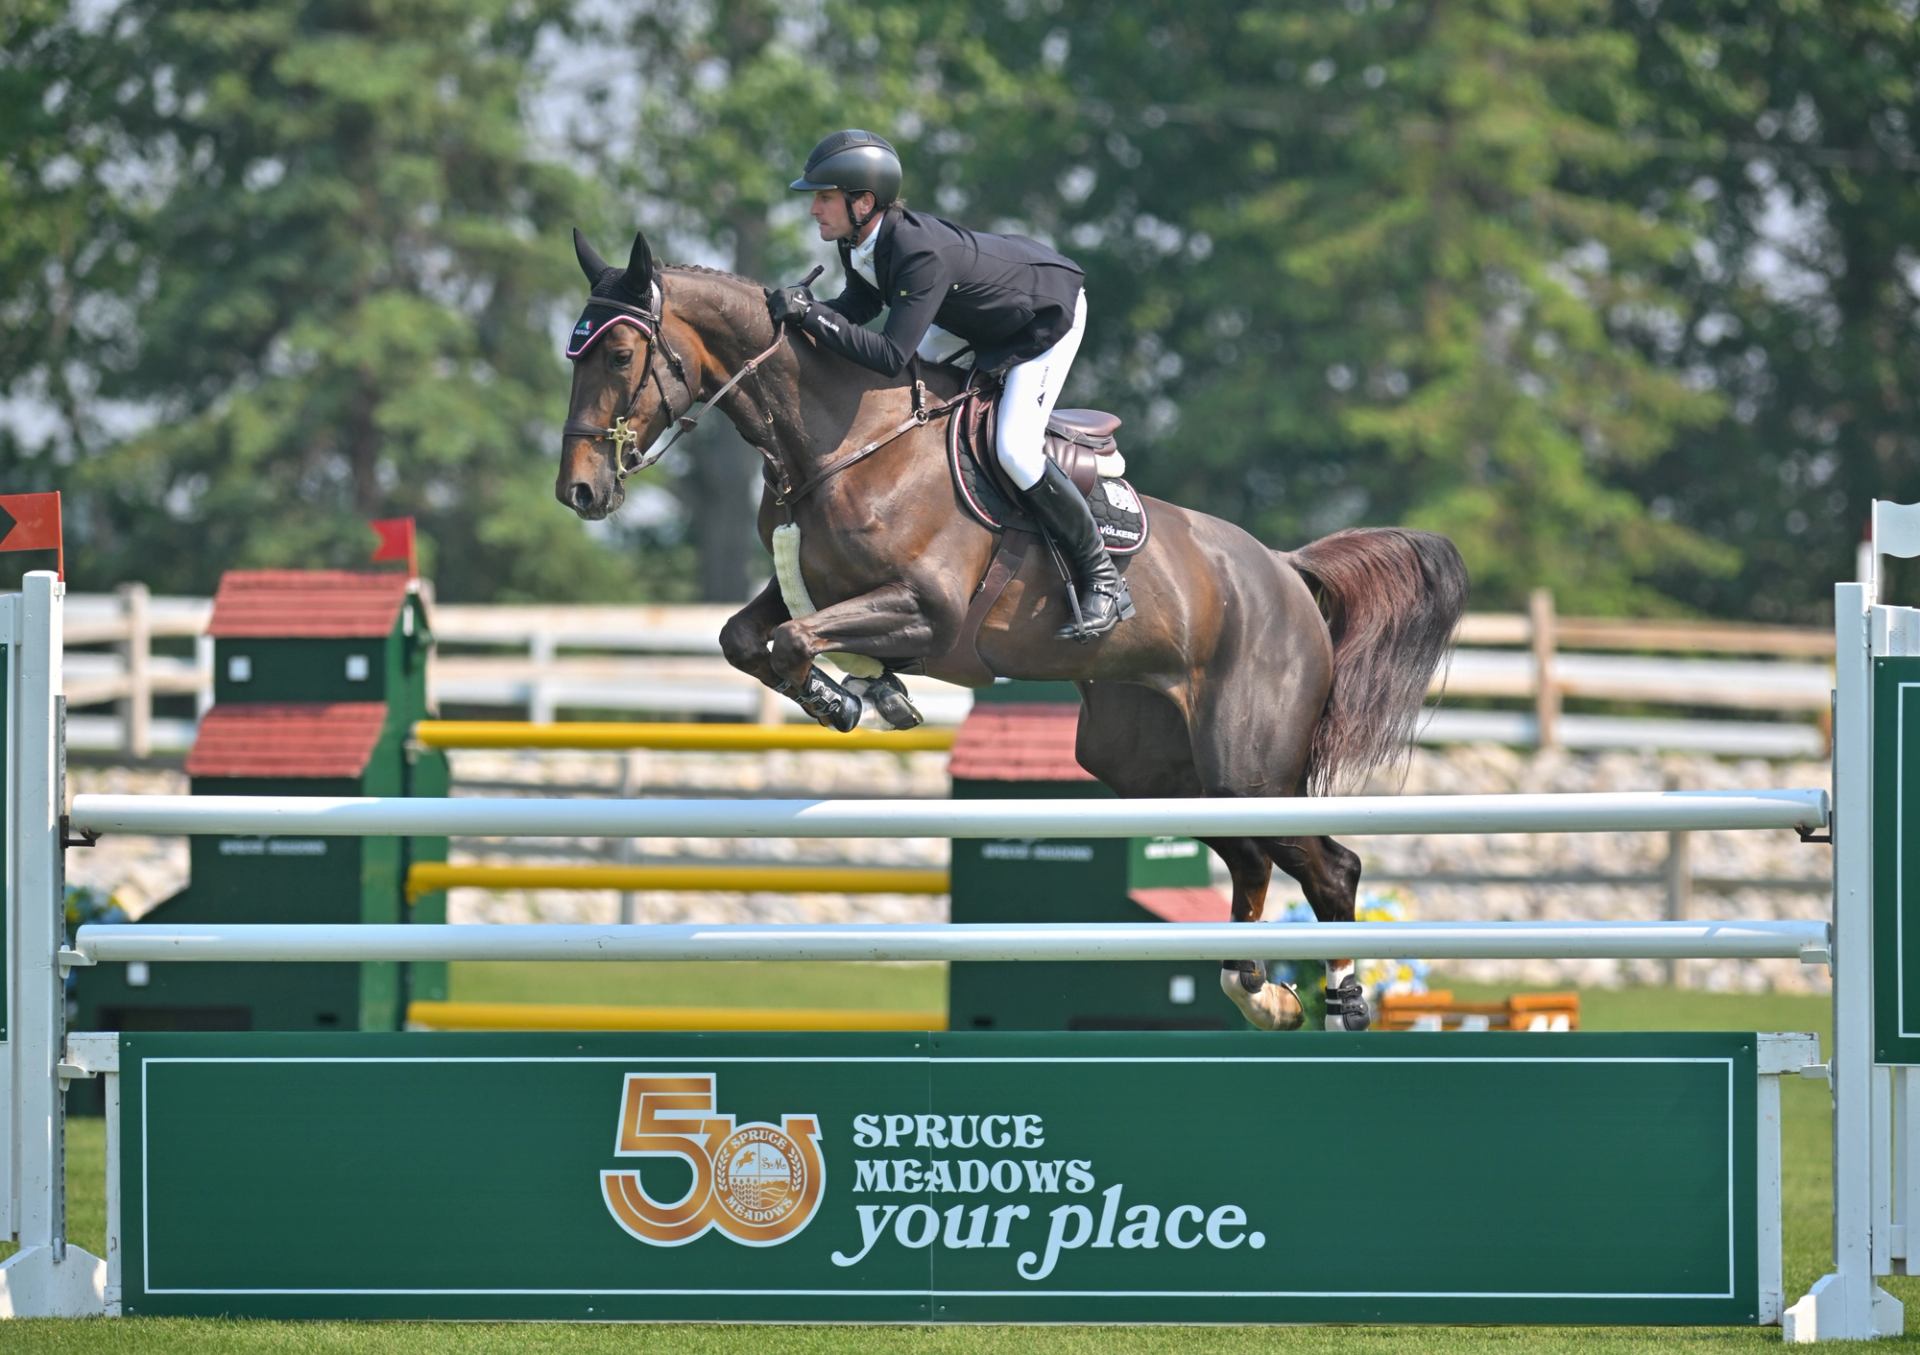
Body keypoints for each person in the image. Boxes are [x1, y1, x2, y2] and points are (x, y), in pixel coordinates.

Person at [766, 129, 1132, 641]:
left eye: (824, 198)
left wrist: (813, 318)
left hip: (1044, 317)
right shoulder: (859, 240)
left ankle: (1103, 578)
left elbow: (890, 355)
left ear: (863, 201)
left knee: (1014, 450)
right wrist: (805, 314)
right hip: (977, 312)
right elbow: (864, 306)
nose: (814, 209)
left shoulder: (918, 252)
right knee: (910, 396)